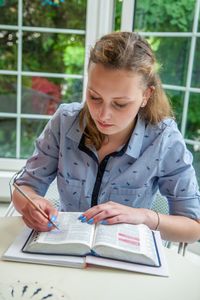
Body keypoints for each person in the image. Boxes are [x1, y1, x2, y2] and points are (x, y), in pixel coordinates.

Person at [13, 32, 200, 243]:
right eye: (94, 97)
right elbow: (24, 187)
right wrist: (33, 203)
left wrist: (143, 217)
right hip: (65, 249)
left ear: (146, 96)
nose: (103, 115)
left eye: (120, 104)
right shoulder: (64, 121)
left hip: (126, 259)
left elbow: (193, 227)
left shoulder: (164, 138)